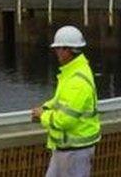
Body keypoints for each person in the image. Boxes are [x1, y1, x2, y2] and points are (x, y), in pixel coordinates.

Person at [31, 25, 100, 176]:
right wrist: (45, 107)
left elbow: (66, 120)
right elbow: (60, 100)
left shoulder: (77, 81)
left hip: (75, 151)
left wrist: (42, 115)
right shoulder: (72, 72)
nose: (56, 52)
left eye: (58, 49)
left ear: (68, 50)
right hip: (66, 148)